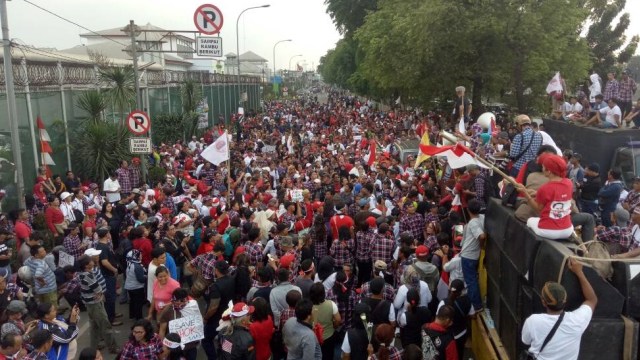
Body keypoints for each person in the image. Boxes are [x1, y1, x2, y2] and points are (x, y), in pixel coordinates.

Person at [521, 258, 597, 360]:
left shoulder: (533, 321)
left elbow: (526, 341)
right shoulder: (577, 321)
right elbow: (592, 300)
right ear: (565, 301)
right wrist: (579, 272)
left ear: (543, 302)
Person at [516, 154, 574, 240]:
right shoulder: (569, 183)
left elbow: (538, 209)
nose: (542, 169)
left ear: (549, 171)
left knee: (530, 221)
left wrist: (525, 193)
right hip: (567, 230)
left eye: (543, 167)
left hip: (548, 230)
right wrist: (537, 193)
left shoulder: (545, 188)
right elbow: (557, 196)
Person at [77, 255, 118, 354]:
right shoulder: (88, 276)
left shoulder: (81, 274)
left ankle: (94, 346)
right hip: (95, 304)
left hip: (90, 303)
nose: (93, 261)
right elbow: (98, 289)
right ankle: (113, 347)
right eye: (91, 261)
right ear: (87, 265)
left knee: (94, 326)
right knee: (105, 325)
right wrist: (100, 293)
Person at [203, 260, 235, 360]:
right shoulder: (231, 279)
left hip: (216, 319)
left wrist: (206, 318)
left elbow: (213, 307)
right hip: (229, 315)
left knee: (206, 340)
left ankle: (214, 358)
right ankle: (225, 355)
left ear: (216, 271)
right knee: (225, 339)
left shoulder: (215, 286)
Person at [158, 289, 201, 360]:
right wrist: (162, 347)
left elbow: (199, 322)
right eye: (176, 300)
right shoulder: (168, 311)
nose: (179, 303)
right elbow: (162, 330)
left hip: (191, 346)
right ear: (172, 300)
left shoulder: (192, 307)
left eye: (182, 300)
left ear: (186, 299)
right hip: (174, 347)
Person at [438, 279, 473, 360]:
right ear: (461, 291)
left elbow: (438, 317)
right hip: (461, 334)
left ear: (450, 289)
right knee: (459, 354)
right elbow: (472, 315)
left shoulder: (443, 303)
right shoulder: (467, 301)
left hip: (447, 336)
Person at [309, 282, 342, 360]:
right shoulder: (331, 304)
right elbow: (338, 320)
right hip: (328, 336)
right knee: (328, 355)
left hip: (312, 336)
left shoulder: (308, 306)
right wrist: (334, 326)